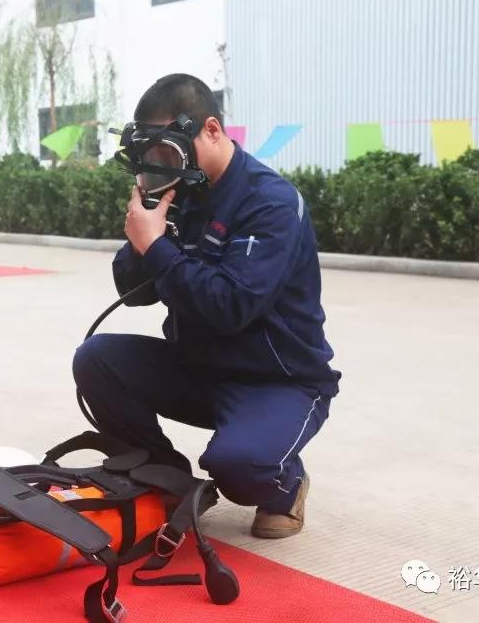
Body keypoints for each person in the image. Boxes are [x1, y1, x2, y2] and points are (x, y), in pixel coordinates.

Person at [72, 74, 341, 538]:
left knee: (237, 465)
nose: (160, 165)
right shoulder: (179, 191)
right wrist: (143, 233)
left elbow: (231, 307)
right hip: (199, 368)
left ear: (212, 130)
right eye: (150, 156)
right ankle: (164, 475)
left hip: (276, 381)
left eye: (167, 153)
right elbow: (134, 291)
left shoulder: (270, 203)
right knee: (95, 359)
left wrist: (157, 247)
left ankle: (286, 484)